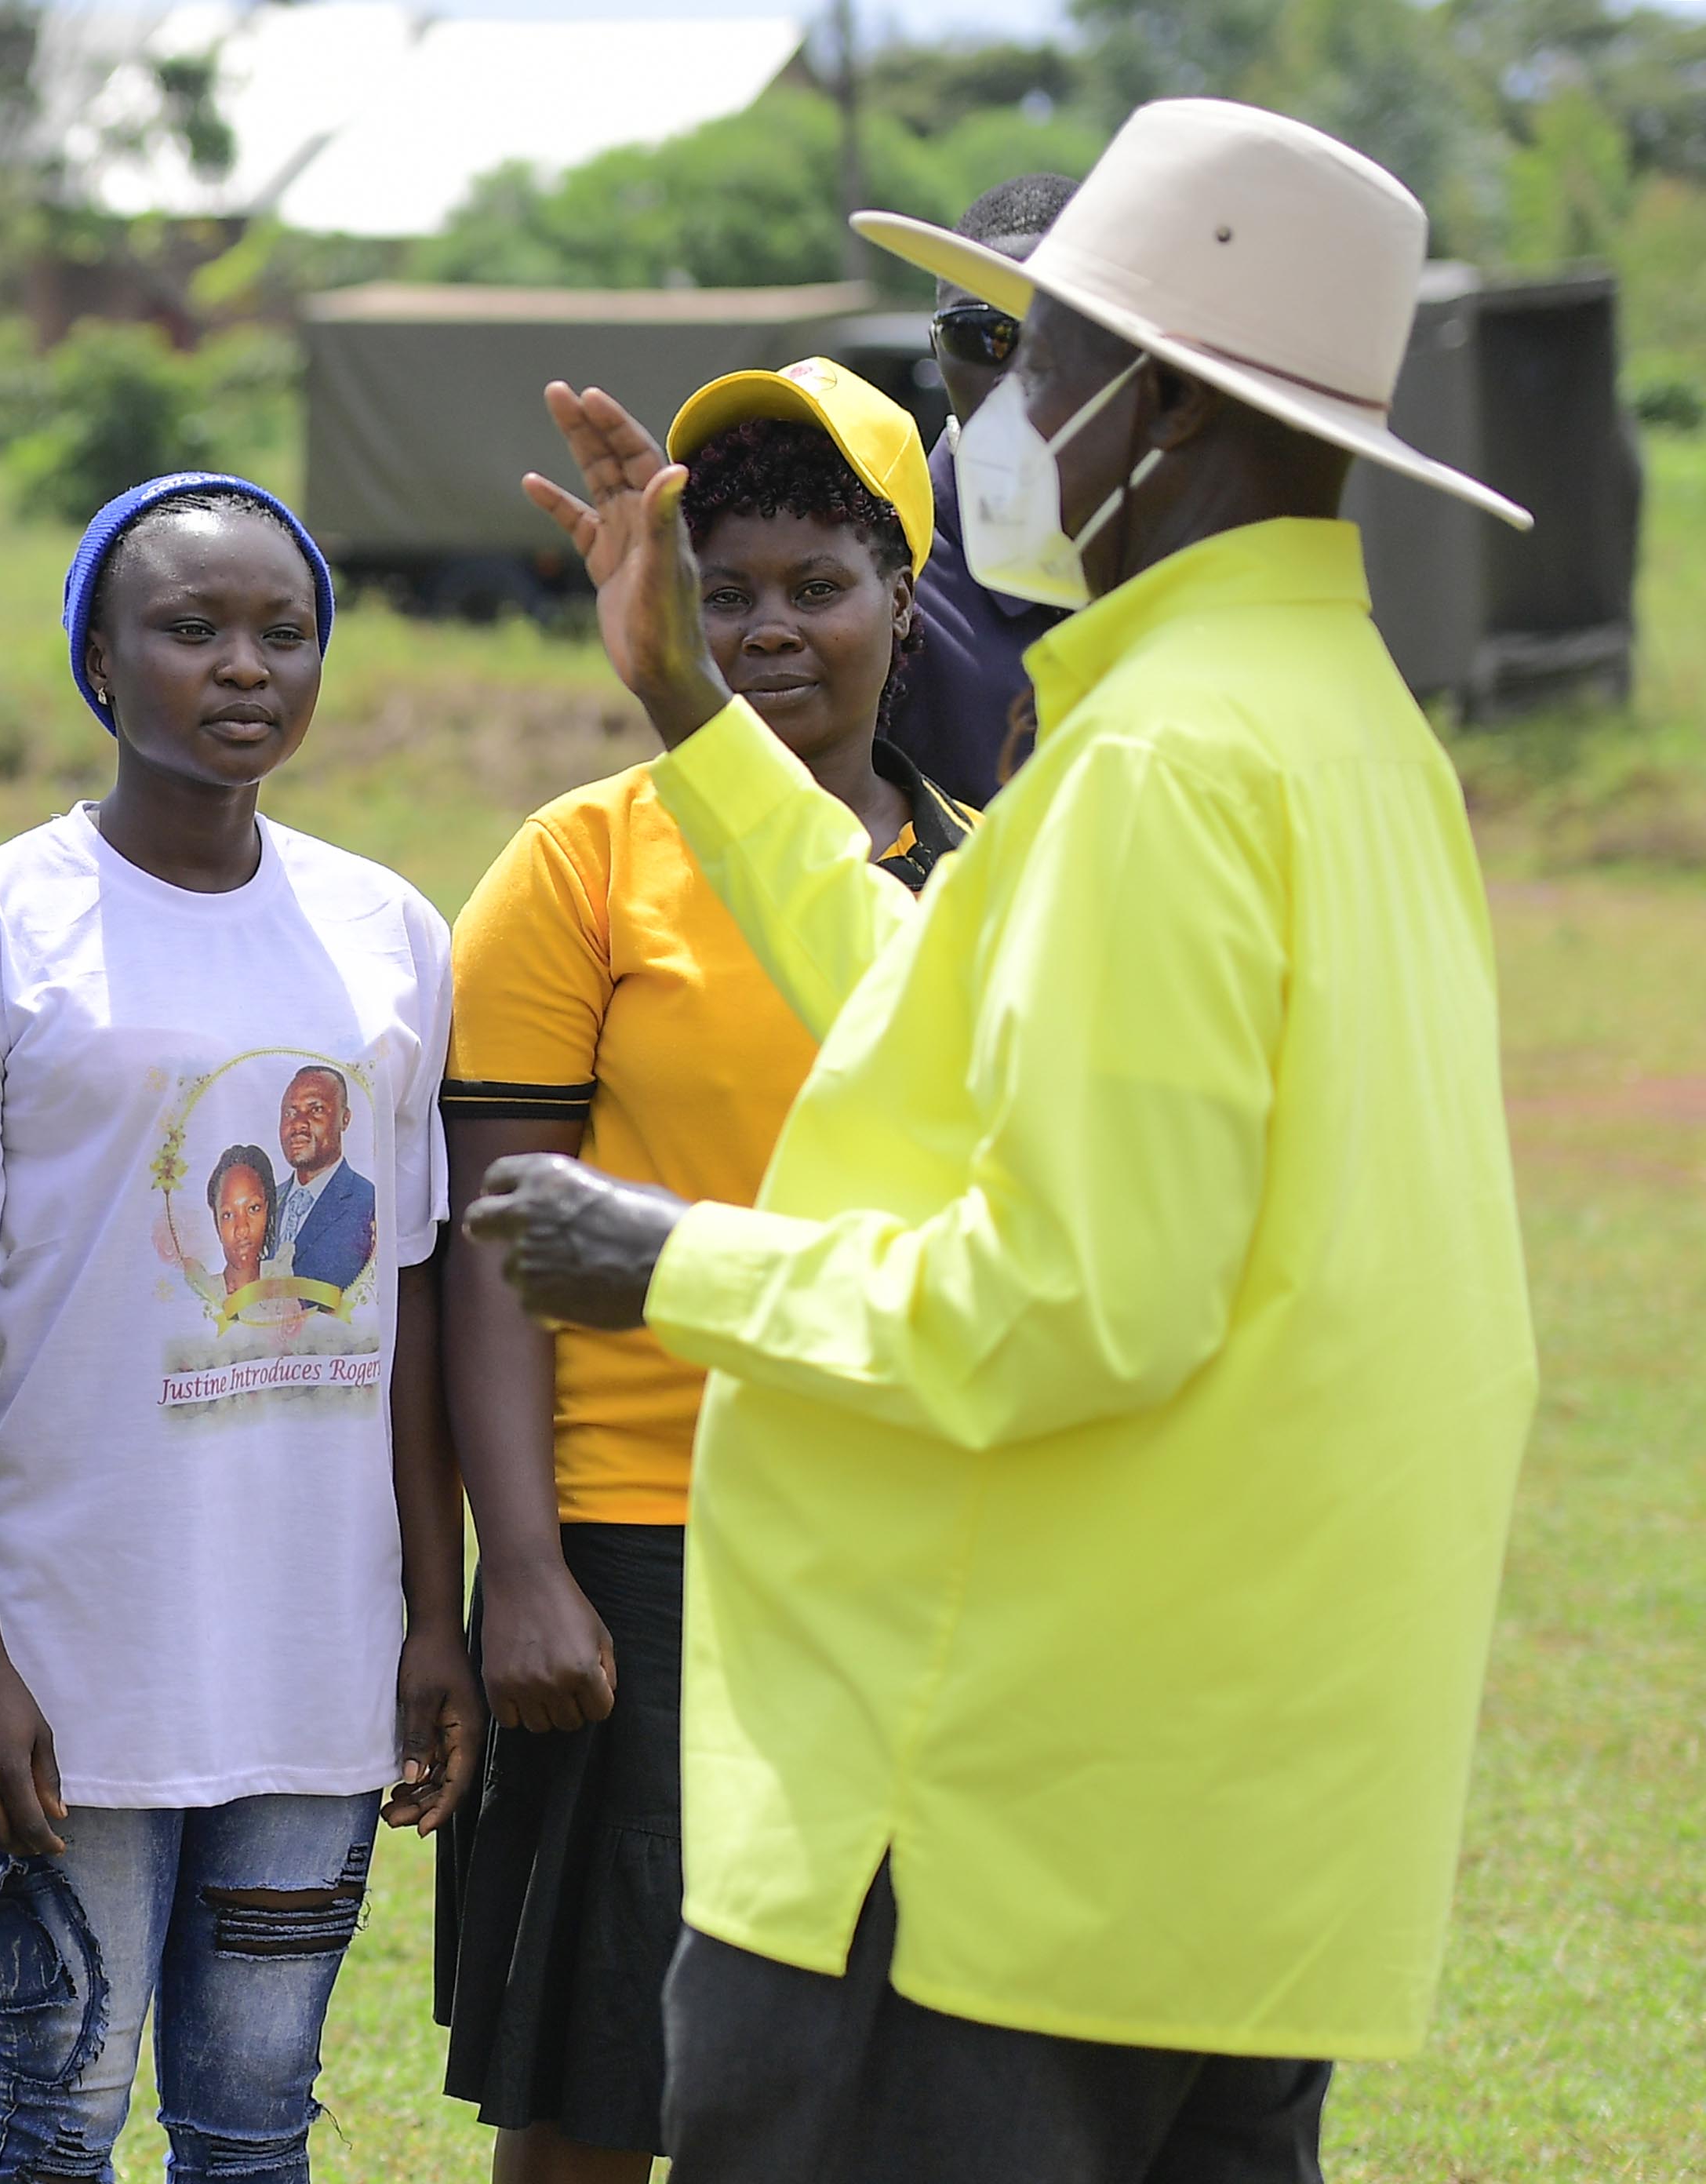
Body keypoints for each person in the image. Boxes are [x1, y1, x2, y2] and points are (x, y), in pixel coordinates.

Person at [483, 98, 1538, 2181]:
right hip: (1226, 1819)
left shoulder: (1162, 762)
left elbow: (1072, 1300)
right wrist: (699, 717)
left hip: (993, 1828)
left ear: (1150, 405)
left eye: (1025, 361)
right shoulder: (1337, 728)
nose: (985, 414)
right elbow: (937, 1009)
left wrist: (665, 1262)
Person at [0, 472, 481, 2184]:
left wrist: (429, 1621)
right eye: (192, 629)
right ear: (97, 658)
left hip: (316, 1647)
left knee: (254, 2131)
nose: (245, 669)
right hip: (79, 1660)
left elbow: (418, 1294)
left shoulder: (388, 934)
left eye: (283, 633)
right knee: (55, 2124)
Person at [435, 358, 973, 2184]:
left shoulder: (980, 889)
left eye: (813, 585)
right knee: (603, 2082)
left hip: (901, 1555)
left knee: (857, 2081)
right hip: (643, 1545)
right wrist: (521, 1569)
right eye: (720, 587)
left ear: (902, 604)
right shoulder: (581, 862)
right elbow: (489, 1242)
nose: (762, 629)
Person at [895, 173, 1080, 806]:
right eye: (982, 334)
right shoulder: (878, 572)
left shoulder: (1174, 563)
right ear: (935, 346)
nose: (1021, 371)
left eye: (1059, 336)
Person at [270, 1063, 375, 1291]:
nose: (298, 1123)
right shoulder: (264, 1203)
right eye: (290, 1112)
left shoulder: (369, 1204)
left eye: (315, 1109)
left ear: (344, 1119)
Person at [209, 1142, 282, 1297]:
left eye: (253, 1208)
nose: (242, 1229)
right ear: (217, 1223)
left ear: (267, 1210)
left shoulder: (288, 1290)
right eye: (228, 1215)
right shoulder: (204, 1299)